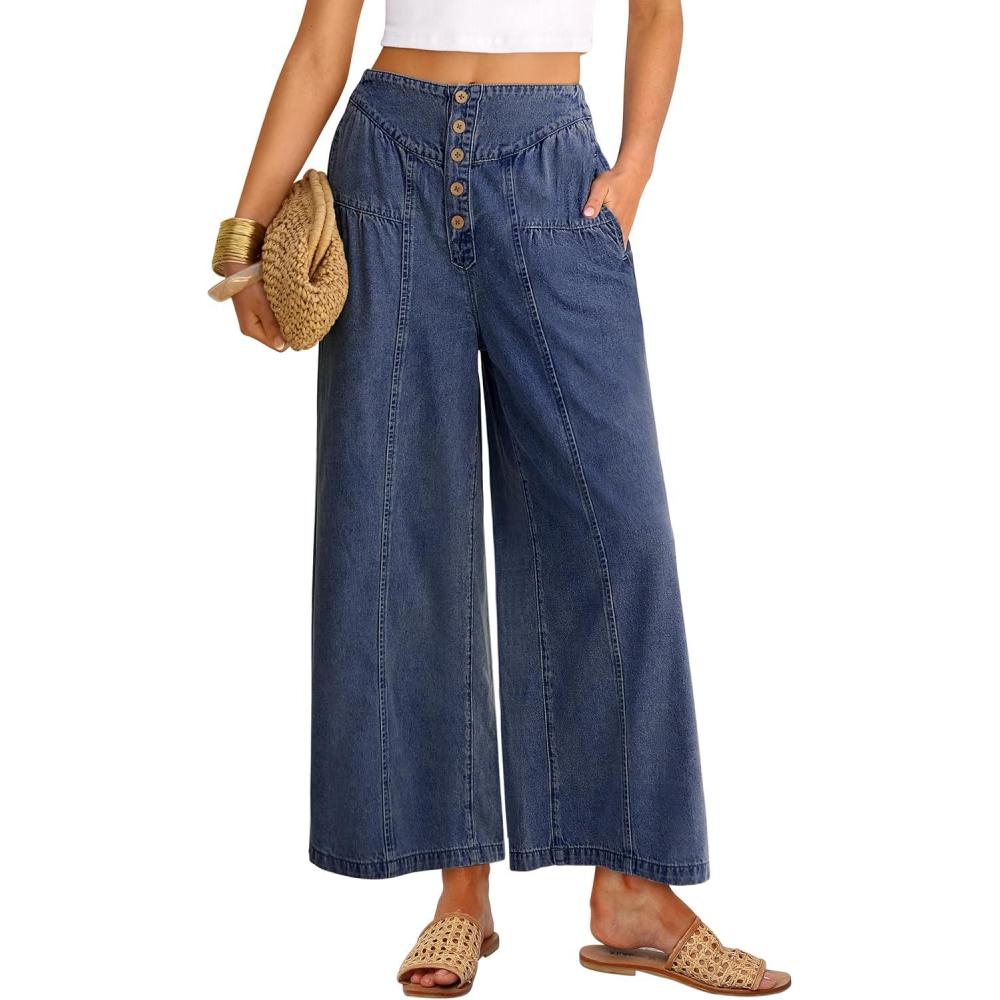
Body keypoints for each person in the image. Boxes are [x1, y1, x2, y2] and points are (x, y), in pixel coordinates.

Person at [215, 0, 790, 994]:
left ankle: (633, 888)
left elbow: (658, 10)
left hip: (552, 165)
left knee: (618, 532)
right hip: (388, 158)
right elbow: (321, 44)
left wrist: (635, 168)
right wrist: (244, 235)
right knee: (405, 526)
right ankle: (460, 892)